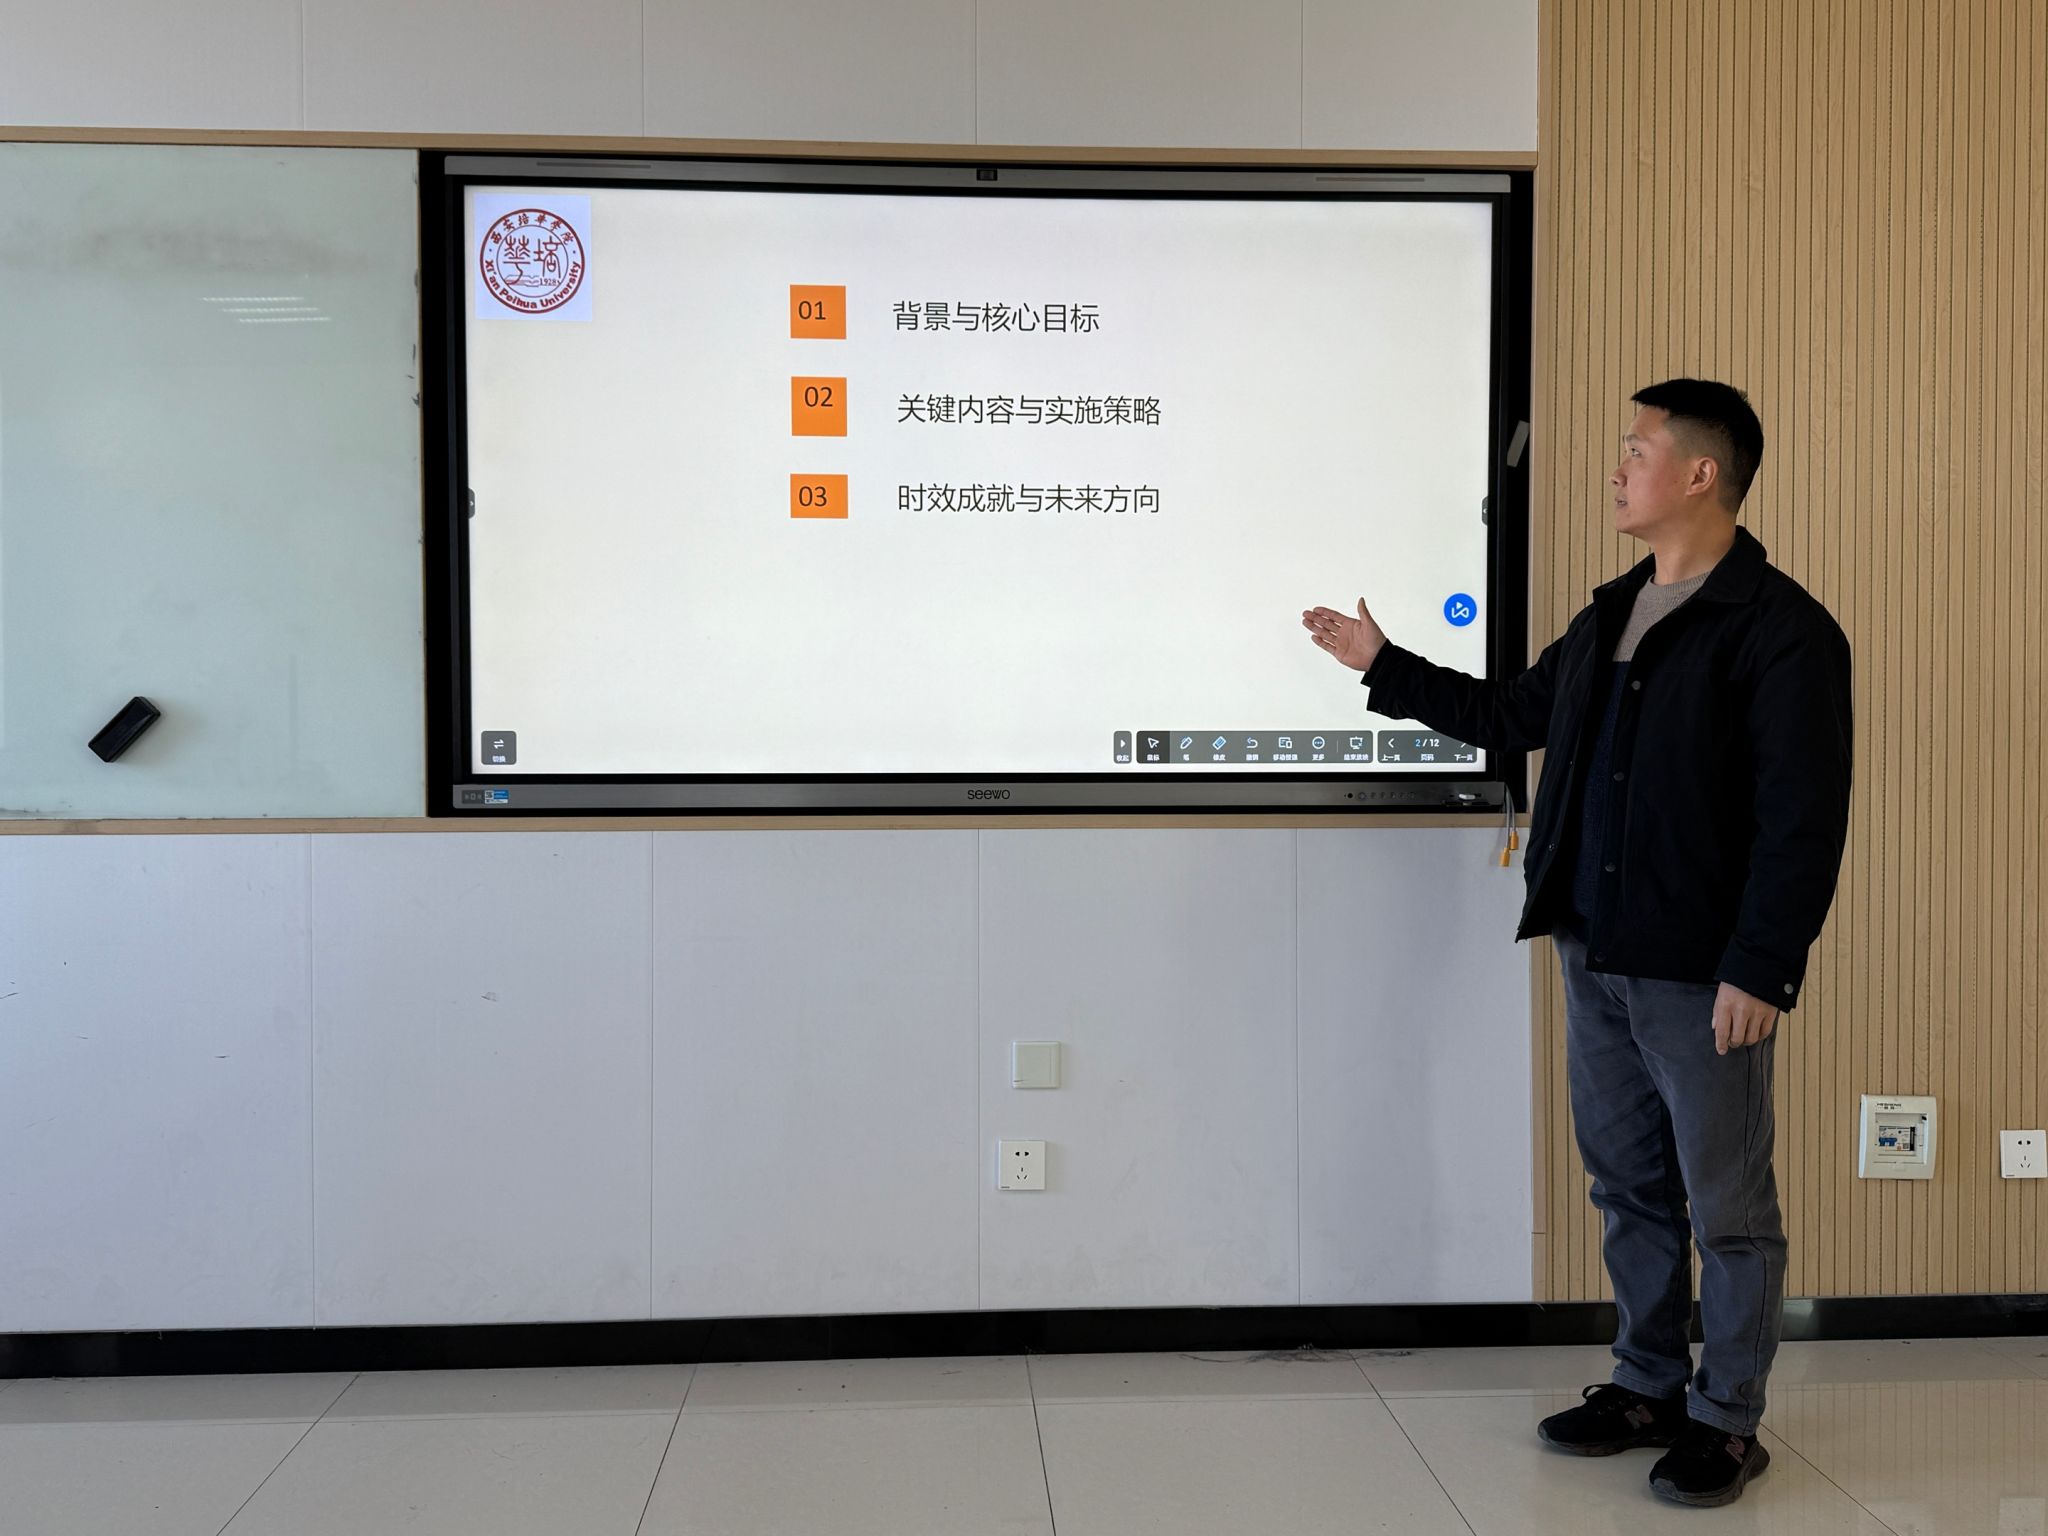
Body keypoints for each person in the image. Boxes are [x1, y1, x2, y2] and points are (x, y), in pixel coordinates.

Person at [1302, 379, 1852, 1509]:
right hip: (1593, 951)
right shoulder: (1611, 614)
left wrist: (1761, 966)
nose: (1616, 467)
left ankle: (1725, 1421)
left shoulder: (1782, 629)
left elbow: (1801, 819)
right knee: (1626, 1184)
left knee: (1729, 1210)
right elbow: (1512, 716)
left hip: (1702, 970)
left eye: (1635, 449)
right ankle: (1647, 1384)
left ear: (1699, 473)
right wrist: (1380, 662)